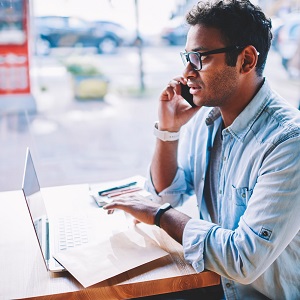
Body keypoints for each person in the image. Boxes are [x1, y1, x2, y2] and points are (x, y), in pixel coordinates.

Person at [104, 1, 300, 299]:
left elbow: (243, 259)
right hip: (214, 281)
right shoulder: (207, 118)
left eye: (199, 58)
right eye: (187, 57)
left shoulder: (287, 142)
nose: (186, 73)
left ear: (246, 60)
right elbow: (168, 194)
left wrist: (160, 215)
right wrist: (168, 132)